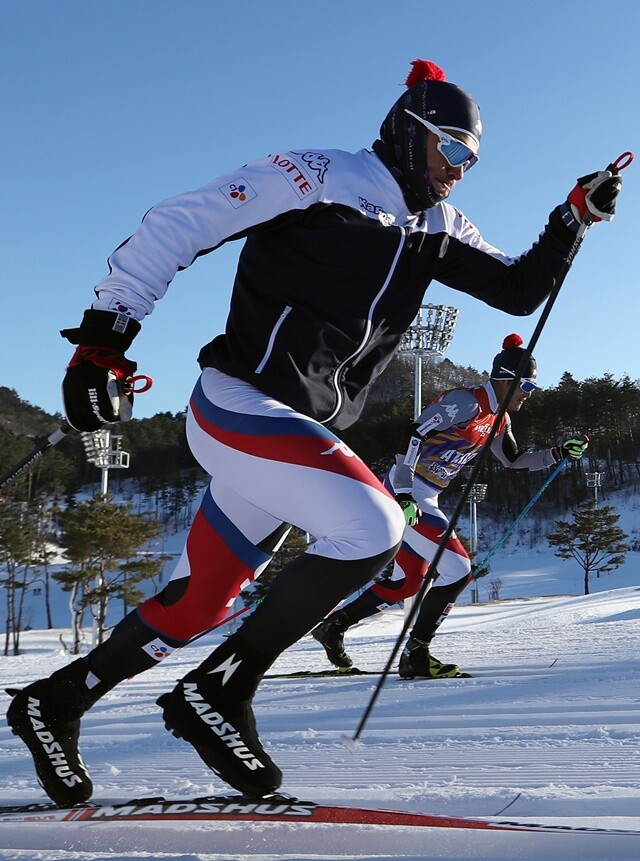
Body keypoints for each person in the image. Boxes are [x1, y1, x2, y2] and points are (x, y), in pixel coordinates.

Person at [5, 58, 621, 806]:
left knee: (203, 600)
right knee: (373, 526)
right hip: (242, 403)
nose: (460, 170)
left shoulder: (438, 225)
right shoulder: (318, 174)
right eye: (451, 149)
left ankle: (53, 703)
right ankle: (220, 690)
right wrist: (106, 338)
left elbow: (519, 290)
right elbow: (185, 220)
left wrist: (569, 221)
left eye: (472, 158)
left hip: (291, 437)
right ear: (408, 130)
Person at [311, 333, 589, 677]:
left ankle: (333, 628)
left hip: (426, 495)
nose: (527, 396)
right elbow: (413, 433)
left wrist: (558, 453)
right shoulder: (466, 402)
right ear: (505, 380)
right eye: (526, 387)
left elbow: (514, 461)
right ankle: (416, 654)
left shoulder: (500, 419)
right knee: (458, 569)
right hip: (409, 493)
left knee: (408, 581)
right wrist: (403, 492)